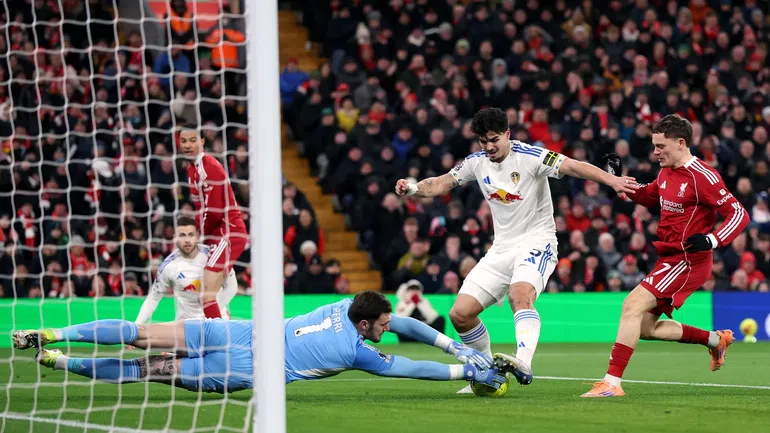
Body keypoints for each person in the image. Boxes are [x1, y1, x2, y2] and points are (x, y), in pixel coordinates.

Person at [394, 107, 638, 392]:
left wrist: (612, 180)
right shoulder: (476, 162)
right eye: (483, 141)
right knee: (460, 314)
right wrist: (413, 189)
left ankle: (523, 361)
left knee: (519, 295)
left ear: (508, 134)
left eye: (494, 139)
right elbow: (442, 182)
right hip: (501, 248)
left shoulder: (531, 156)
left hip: (537, 241)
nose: (489, 147)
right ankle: (486, 374)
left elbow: (572, 166)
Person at [13, 291, 507, 393]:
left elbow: (405, 325)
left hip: (237, 330)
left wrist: (451, 344)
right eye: (381, 325)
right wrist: (464, 368)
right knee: (146, 371)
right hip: (247, 366)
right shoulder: (355, 351)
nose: (388, 327)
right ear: (364, 325)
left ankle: (56, 333)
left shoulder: (345, 304)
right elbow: (406, 366)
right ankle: (58, 361)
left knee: (142, 335)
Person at [581, 114, 749, 398]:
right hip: (669, 258)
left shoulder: (702, 176)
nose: (655, 152)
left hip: (688, 260)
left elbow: (739, 214)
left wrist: (712, 239)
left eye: (661, 146)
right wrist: (619, 182)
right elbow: (648, 196)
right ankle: (715, 340)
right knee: (646, 328)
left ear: (681, 143)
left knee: (631, 306)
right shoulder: (666, 172)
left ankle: (611, 383)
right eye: (654, 145)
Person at [179, 124, 248, 319]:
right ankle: (223, 320)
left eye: (192, 140)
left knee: (207, 295)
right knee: (217, 291)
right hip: (214, 235)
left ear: (202, 141)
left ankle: (217, 334)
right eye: (183, 141)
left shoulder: (208, 168)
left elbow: (214, 212)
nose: (187, 145)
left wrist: (199, 236)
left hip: (227, 232)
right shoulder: (192, 169)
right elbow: (200, 208)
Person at [135, 217, 238, 324]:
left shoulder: (215, 255)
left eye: (191, 235)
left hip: (216, 320)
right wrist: (137, 325)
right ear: (175, 237)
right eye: (182, 235)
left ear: (197, 236)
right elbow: (153, 298)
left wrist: (213, 311)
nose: (187, 240)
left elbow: (232, 286)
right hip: (187, 324)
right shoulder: (168, 266)